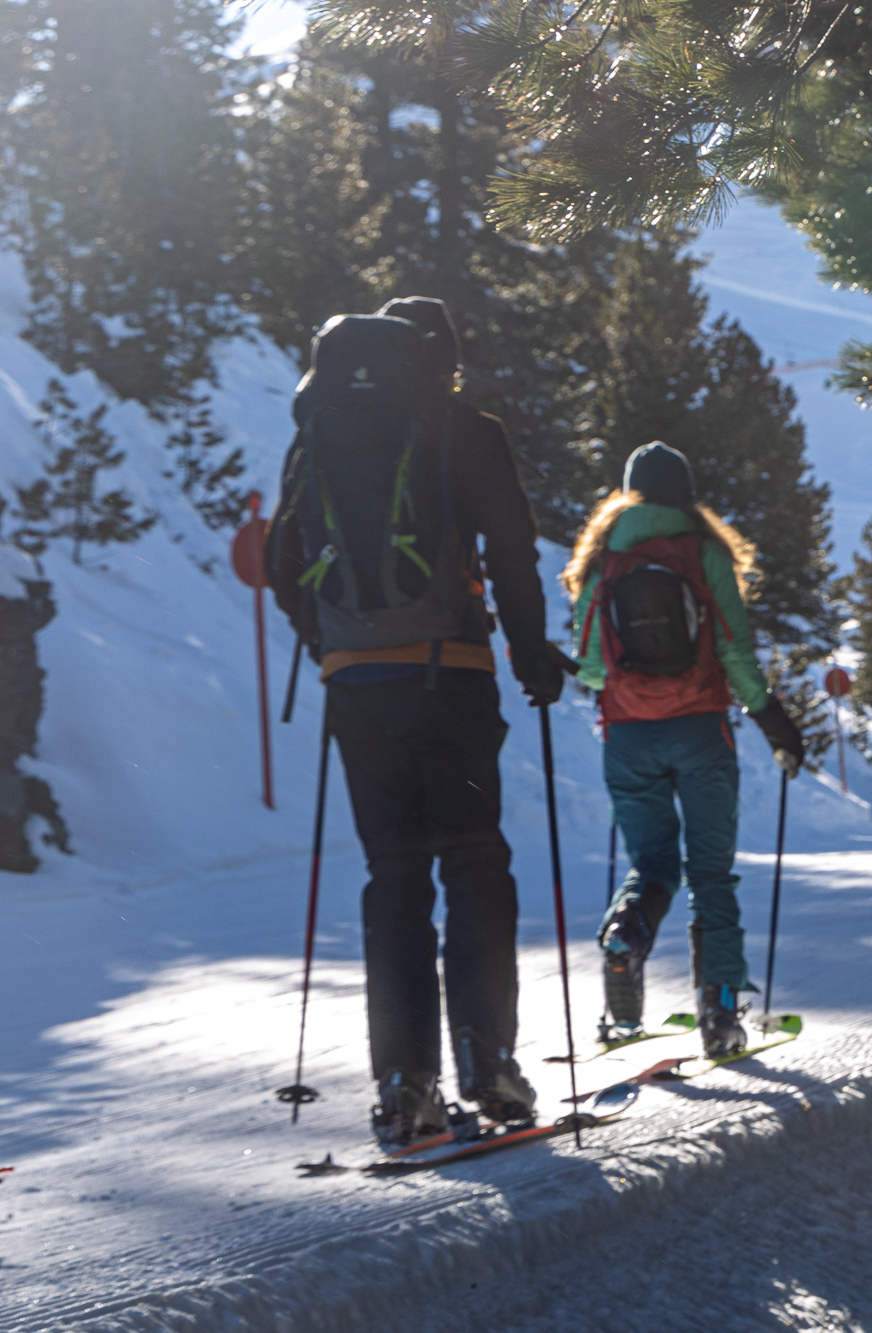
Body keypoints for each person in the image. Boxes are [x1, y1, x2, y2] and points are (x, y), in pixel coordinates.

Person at [267, 297, 568, 1144]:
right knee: (473, 858)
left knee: (392, 873)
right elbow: (512, 548)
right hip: (454, 679)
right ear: (445, 362)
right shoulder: (467, 430)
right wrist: (531, 653)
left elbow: (286, 564)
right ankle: (486, 1054)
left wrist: (335, 646)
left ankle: (404, 1083)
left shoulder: (318, 430)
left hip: (358, 689)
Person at [563, 442, 806, 1059]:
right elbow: (734, 650)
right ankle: (721, 1012)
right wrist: (775, 722)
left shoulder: (606, 557)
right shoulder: (703, 553)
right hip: (700, 730)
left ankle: (625, 937)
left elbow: (590, 668)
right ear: (685, 492)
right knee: (710, 874)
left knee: (652, 864)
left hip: (628, 736)